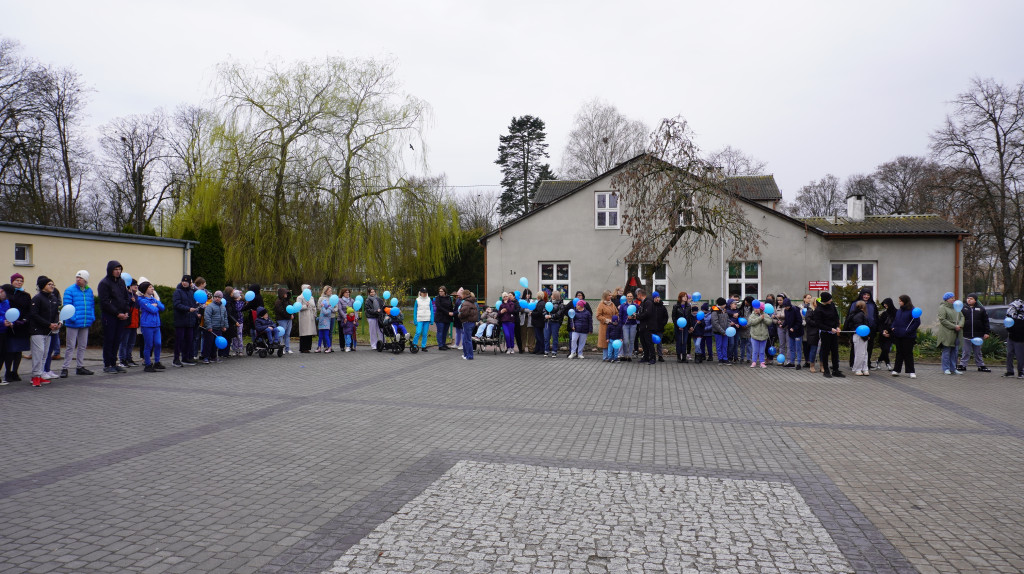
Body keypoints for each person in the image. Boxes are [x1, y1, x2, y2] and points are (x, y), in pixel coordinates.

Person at [60, 270, 95, 378]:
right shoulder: (70, 290)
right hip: (73, 323)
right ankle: (65, 368)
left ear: (85, 280)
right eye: (77, 277)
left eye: (81, 278)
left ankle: (80, 366)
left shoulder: (89, 291)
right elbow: (67, 306)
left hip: (85, 322)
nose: (78, 279)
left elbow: (91, 306)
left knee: (82, 346)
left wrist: (92, 317)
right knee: (70, 346)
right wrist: (73, 318)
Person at [97, 261, 130, 374]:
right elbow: (105, 302)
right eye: (116, 269)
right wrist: (117, 313)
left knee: (117, 340)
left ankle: (114, 363)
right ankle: (107, 364)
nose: (118, 271)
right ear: (110, 270)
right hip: (110, 316)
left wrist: (126, 311)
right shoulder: (104, 283)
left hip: (121, 316)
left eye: (119, 269)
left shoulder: (121, 282)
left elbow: (126, 298)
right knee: (109, 340)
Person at [29, 276, 60, 386]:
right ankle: (35, 377)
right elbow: (34, 315)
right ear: (43, 286)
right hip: (37, 330)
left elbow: (56, 313)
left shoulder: (54, 298)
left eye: (53, 284)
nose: (52, 286)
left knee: (45, 354)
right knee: (38, 353)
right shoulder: (37, 298)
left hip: (48, 331)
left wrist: (57, 323)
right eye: (49, 284)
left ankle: (40, 374)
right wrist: (48, 324)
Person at [812, 291, 844, 378]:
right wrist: (829, 329)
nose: (831, 300)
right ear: (826, 300)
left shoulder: (832, 305)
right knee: (825, 352)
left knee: (835, 351)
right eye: (830, 299)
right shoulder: (818, 310)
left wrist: (837, 326)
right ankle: (826, 370)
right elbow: (819, 324)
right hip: (825, 333)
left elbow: (836, 317)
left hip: (833, 333)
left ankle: (835, 370)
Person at [137, 281, 166, 372]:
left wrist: (156, 304)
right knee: (149, 345)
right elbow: (152, 310)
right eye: (150, 287)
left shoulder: (153, 299)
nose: (152, 288)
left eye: (152, 287)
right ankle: (148, 364)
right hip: (147, 325)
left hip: (156, 325)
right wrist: (155, 306)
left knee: (158, 343)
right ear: (145, 289)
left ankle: (157, 362)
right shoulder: (142, 300)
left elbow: (162, 307)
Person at [847, 289, 879, 370]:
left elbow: (875, 316)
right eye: (864, 295)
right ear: (861, 295)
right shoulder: (855, 304)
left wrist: (875, 326)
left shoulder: (872, 304)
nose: (866, 296)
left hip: (870, 329)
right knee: (856, 348)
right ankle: (853, 363)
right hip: (858, 329)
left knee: (868, 348)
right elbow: (850, 317)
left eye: (868, 295)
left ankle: (867, 363)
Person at [958, 295, 991, 372]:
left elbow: (986, 321)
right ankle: (963, 365)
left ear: (975, 300)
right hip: (966, 334)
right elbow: (959, 320)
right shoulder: (963, 309)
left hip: (978, 335)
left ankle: (981, 365)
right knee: (966, 351)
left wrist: (987, 332)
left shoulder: (981, 309)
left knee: (978, 351)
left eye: (971, 299)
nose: (969, 300)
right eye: (968, 298)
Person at [890, 295, 919, 378]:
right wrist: (893, 326)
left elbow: (916, 322)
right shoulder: (899, 311)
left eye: (900, 301)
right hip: (898, 335)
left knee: (908, 353)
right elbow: (895, 320)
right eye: (899, 301)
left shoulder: (912, 310)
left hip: (908, 336)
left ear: (905, 301)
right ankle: (896, 370)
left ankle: (911, 371)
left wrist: (908, 331)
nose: (899, 302)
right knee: (899, 353)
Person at [172, 275, 198, 367]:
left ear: (190, 283)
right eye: (183, 281)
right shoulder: (178, 292)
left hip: (190, 321)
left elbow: (193, 305)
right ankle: (176, 359)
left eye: (186, 281)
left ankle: (185, 358)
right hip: (180, 320)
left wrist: (196, 311)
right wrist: (188, 309)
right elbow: (177, 304)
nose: (184, 283)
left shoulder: (192, 292)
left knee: (189, 340)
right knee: (179, 340)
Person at [936, 292, 964, 375]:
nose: (954, 299)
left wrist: (960, 325)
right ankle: (946, 368)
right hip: (947, 332)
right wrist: (954, 326)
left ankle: (953, 368)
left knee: (954, 351)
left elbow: (962, 317)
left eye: (954, 298)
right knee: (947, 351)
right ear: (947, 299)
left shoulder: (956, 307)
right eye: (951, 298)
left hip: (957, 332)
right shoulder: (942, 307)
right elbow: (943, 320)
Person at [118, 279, 140, 369]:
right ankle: (122, 359)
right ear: (129, 286)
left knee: (131, 343)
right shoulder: (126, 295)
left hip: (134, 323)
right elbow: (124, 306)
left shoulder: (136, 296)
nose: (136, 286)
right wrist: (131, 301)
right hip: (127, 323)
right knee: (124, 342)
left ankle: (129, 358)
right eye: (134, 285)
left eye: (136, 285)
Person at [202, 291, 229, 364]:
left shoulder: (223, 307)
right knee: (208, 343)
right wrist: (209, 326)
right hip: (211, 328)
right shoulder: (210, 306)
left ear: (221, 298)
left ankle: (213, 357)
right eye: (215, 297)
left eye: (219, 297)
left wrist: (225, 326)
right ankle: (206, 357)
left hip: (219, 328)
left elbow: (225, 317)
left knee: (215, 344)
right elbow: (207, 317)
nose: (217, 298)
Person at [1003, 299, 1024, 378]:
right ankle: (1010, 371)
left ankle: (1021, 372)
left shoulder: (1022, 316)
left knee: (1020, 356)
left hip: (1020, 339)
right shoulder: (1010, 314)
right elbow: (1007, 324)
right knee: (1009, 354)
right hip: (1011, 337)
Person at [848, 300, 870, 375]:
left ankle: (864, 368)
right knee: (860, 353)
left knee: (863, 353)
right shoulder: (860, 314)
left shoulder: (856, 314)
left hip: (861, 335)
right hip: (859, 335)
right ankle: (858, 368)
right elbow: (860, 326)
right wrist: (865, 335)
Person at [782, 297, 803, 370]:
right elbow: (786, 320)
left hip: (797, 332)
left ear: (789, 305)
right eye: (785, 306)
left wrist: (794, 328)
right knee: (791, 348)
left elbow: (799, 321)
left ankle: (799, 363)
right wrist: (783, 325)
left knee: (798, 348)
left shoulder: (795, 309)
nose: (786, 308)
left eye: (787, 306)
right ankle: (792, 362)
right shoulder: (785, 310)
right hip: (791, 333)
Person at [748, 302, 770, 368]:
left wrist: (763, 319)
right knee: (755, 350)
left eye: (758, 308)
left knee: (762, 351)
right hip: (755, 336)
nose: (756, 309)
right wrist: (760, 318)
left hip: (763, 336)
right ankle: (754, 362)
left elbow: (769, 322)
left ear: (761, 309)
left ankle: (762, 362)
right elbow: (751, 322)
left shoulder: (765, 315)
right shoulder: (752, 315)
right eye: (755, 308)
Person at [458, 291, 479, 360]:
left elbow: (464, 313)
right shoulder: (472, 302)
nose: (461, 296)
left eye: (462, 294)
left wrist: (459, 315)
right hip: (472, 322)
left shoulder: (466, 303)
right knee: (466, 339)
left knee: (467, 339)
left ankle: (469, 356)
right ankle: (466, 354)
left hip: (467, 322)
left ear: (465, 295)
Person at [671, 292, 691, 363]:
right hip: (678, 327)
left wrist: (690, 326)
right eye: (684, 296)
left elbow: (689, 317)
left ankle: (684, 357)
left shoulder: (688, 306)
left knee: (684, 342)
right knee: (679, 341)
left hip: (686, 327)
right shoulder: (676, 306)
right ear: (680, 297)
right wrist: (678, 325)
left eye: (686, 296)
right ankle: (679, 357)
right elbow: (674, 317)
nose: (685, 297)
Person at [597, 290, 617, 362]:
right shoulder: (601, 304)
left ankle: (611, 357)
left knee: (612, 340)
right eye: (609, 295)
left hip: (613, 325)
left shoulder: (612, 304)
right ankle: (605, 357)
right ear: (605, 296)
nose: (611, 296)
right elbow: (598, 316)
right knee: (605, 341)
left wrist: (616, 320)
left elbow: (616, 313)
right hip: (605, 325)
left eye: (611, 295)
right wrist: (607, 320)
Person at [875, 298, 895, 371]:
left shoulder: (896, 313)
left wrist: (890, 332)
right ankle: (887, 363)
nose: (885, 307)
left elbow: (896, 324)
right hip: (882, 335)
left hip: (890, 335)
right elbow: (880, 324)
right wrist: (882, 331)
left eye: (886, 305)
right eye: (884, 306)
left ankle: (879, 361)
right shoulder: (884, 314)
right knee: (884, 350)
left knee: (886, 349)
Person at [544, 292, 565, 358]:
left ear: (555, 296)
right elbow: (544, 310)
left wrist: (551, 316)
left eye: (552, 295)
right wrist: (545, 315)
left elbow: (559, 314)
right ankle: (546, 351)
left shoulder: (561, 304)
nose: (551, 296)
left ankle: (554, 351)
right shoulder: (548, 302)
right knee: (546, 337)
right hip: (548, 321)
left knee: (555, 337)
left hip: (555, 322)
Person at [413, 287, 434, 352]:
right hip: (419, 319)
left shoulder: (429, 300)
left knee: (425, 333)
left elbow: (431, 309)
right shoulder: (417, 300)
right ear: (420, 293)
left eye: (425, 293)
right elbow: (415, 311)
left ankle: (423, 346)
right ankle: (414, 345)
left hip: (427, 319)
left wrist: (432, 319)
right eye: (423, 292)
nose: (424, 294)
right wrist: (415, 320)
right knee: (418, 332)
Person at [618, 292, 638, 362]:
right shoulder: (623, 306)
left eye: (631, 296)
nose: (629, 297)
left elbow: (638, 315)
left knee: (632, 341)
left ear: (633, 297)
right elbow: (620, 316)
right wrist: (620, 325)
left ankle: (629, 355)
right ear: (626, 297)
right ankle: (625, 354)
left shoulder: (636, 305)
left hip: (633, 325)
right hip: (625, 325)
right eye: (628, 296)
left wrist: (634, 317)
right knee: (625, 341)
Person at [274, 288, 294, 354]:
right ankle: (280, 348)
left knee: (287, 334)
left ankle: (287, 348)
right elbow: (281, 311)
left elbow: (292, 309)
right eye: (285, 293)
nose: (286, 294)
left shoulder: (288, 301)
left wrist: (292, 314)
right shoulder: (278, 302)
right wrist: (289, 316)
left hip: (288, 319)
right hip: (282, 319)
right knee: (281, 334)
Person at [710, 297, 729, 365]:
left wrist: (728, 328)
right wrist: (722, 331)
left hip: (726, 332)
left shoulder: (724, 310)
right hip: (718, 332)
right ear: (721, 304)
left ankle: (725, 359)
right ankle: (720, 359)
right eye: (724, 304)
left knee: (725, 345)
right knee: (719, 345)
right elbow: (715, 323)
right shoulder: (715, 311)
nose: (725, 305)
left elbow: (727, 320)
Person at [434, 286, 453, 351]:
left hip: (447, 318)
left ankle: (444, 344)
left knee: (445, 332)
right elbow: (439, 307)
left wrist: (451, 313)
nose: (440, 292)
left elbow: (451, 306)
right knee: (440, 331)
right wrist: (448, 312)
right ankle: (440, 345)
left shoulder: (449, 298)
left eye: (441, 291)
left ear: (445, 291)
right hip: (440, 317)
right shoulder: (437, 298)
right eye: (439, 291)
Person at [804, 297, 820, 373]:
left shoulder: (820, 311)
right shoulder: (810, 311)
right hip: (813, 333)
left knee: (822, 350)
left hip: (820, 332)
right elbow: (808, 320)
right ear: (813, 303)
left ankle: (822, 366)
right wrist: (817, 323)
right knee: (813, 350)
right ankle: (812, 365)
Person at [651, 291, 668, 362]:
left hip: (660, 328)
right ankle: (651, 355)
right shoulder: (651, 306)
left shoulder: (662, 307)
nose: (657, 299)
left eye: (658, 297)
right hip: (652, 328)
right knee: (651, 342)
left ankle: (660, 356)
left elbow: (666, 317)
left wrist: (662, 324)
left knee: (659, 342)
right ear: (653, 299)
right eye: (655, 297)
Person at [228, 289, 245, 356]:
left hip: (240, 321)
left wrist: (238, 300)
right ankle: (235, 349)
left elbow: (238, 309)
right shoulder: (232, 302)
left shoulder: (241, 302)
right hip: (234, 321)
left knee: (239, 336)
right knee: (234, 336)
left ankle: (240, 349)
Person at [519, 288, 534, 354]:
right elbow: (521, 309)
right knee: (523, 334)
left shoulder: (532, 301)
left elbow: (533, 308)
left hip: (530, 319)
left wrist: (529, 310)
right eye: (527, 294)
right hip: (523, 319)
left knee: (531, 334)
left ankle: (531, 348)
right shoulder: (521, 301)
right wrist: (528, 310)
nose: (528, 295)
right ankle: (522, 348)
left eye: (529, 294)